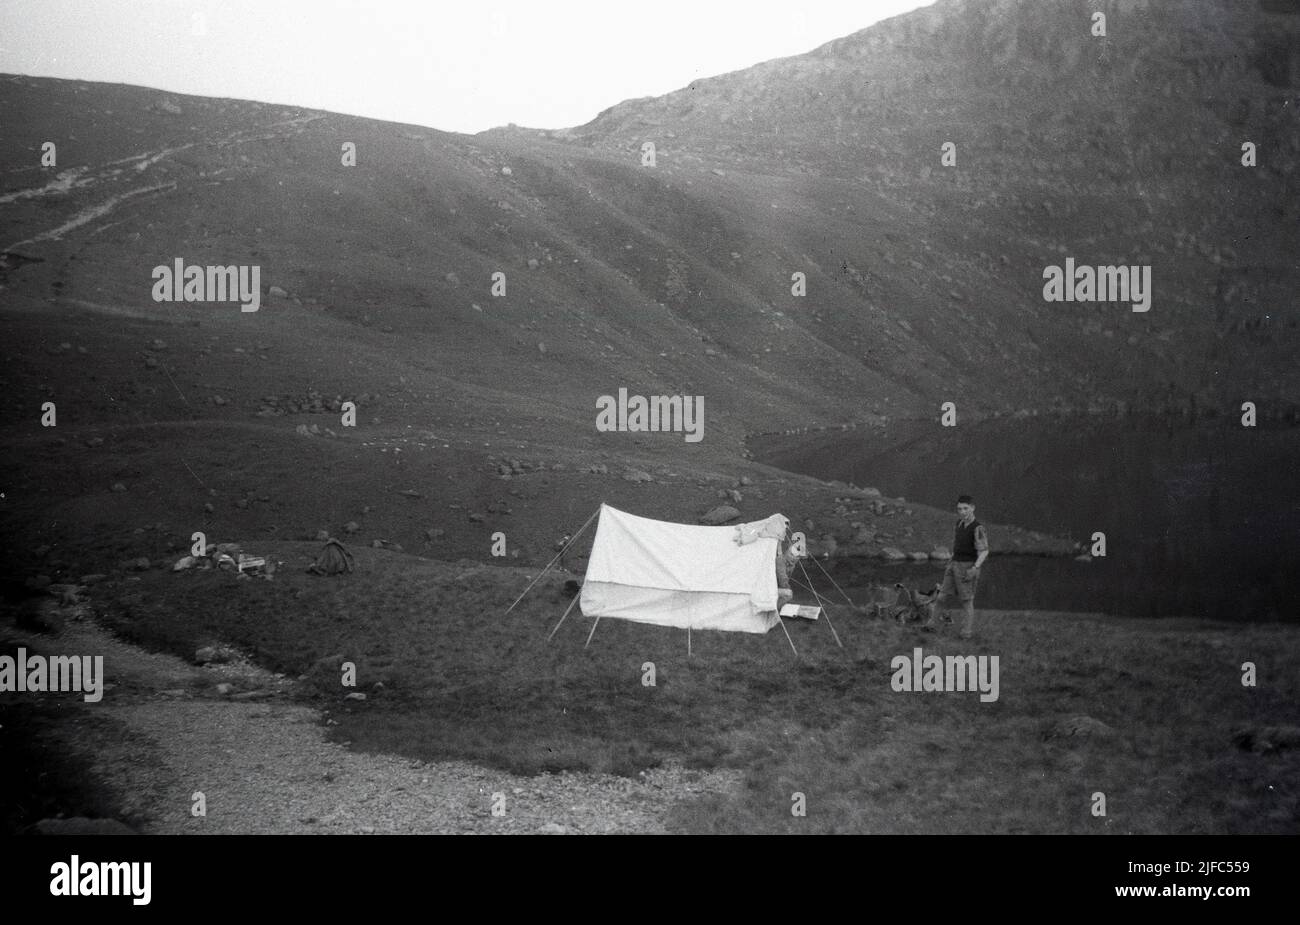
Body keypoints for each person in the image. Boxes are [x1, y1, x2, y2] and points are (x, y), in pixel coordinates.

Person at [931, 494, 989, 639]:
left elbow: (984, 551)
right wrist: (951, 559)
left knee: (966, 601)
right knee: (941, 597)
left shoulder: (978, 528)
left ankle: (966, 634)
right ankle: (931, 625)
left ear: (972, 508)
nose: (962, 512)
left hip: (967, 567)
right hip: (953, 564)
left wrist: (975, 568)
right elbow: (958, 544)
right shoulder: (958, 524)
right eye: (959, 509)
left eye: (965, 508)